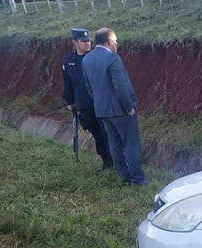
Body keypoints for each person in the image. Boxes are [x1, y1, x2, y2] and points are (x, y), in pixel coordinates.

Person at [81, 27, 149, 186]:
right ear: (110, 42)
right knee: (131, 143)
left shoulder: (87, 60)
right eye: (116, 41)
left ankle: (123, 175)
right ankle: (137, 179)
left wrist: (100, 103)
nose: (117, 44)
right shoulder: (113, 58)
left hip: (102, 110)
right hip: (120, 109)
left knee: (114, 143)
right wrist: (128, 107)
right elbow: (121, 86)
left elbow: (89, 86)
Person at [62, 28, 113, 172]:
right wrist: (69, 102)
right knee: (97, 135)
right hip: (84, 105)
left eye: (89, 41)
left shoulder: (96, 57)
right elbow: (68, 83)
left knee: (107, 133)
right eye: (83, 41)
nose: (88, 44)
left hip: (101, 102)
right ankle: (106, 161)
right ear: (75, 42)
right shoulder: (69, 61)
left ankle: (117, 161)